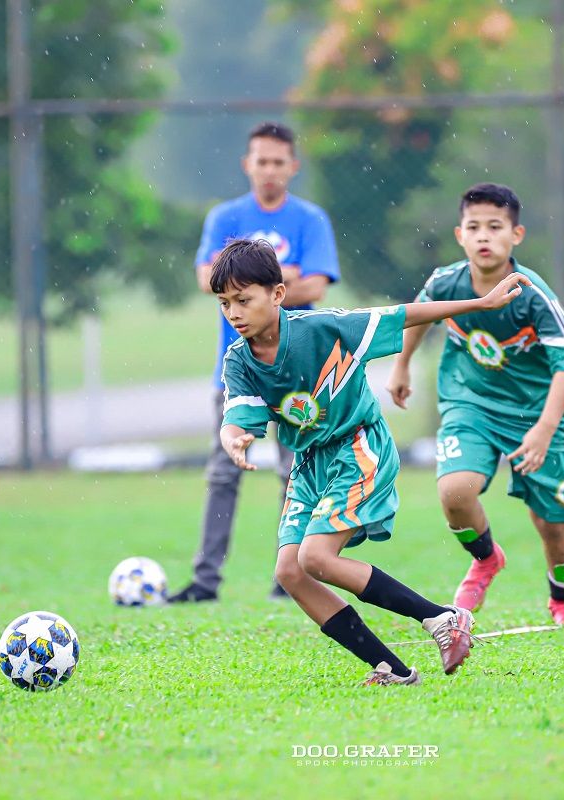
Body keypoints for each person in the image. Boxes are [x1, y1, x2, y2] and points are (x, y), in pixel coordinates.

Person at [215, 239, 527, 684]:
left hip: (357, 447)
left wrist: (481, 302)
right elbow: (236, 415)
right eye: (225, 303)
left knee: (316, 558)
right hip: (310, 465)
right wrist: (234, 438)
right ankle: (393, 670)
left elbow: (403, 315)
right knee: (290, 570)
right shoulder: (239, 361)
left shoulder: (323, 328)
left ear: (278, 294)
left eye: (243, 300)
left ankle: (441, 618)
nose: (234, 313)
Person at [386, 183, 564, 626]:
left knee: (551, 520)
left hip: (536, 414)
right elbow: (419, 316)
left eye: (494, 227)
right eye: (474, 227)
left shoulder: (533, 294)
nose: (484, 236)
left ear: (516, 235)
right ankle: (484, 559)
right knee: (454, 491)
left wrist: (544, 429)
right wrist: (402, 364)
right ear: (460, 234)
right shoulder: (446, 281)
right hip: (469, 402)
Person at [170, 122, 341, 603]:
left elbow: (315, 287)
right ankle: (206, 580)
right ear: (247, 164)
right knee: (223, 472)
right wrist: (279, 277)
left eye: (278, 161)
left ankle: (289, 576)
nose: (269, 170)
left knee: (296, 471)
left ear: (292, 166)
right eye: (260, 161)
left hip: (297, 374)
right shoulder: (225, 215)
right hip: (238, 371)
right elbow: (208, 278)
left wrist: (248, 276)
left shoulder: (310, 219)